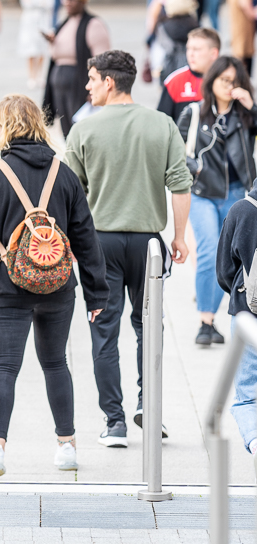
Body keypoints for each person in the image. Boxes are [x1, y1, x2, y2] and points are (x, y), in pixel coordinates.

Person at [0, 94, 108, 479]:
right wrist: (97, 292)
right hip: (57, 287)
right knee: (55, 363)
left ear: (6, 128)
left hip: (6, 289)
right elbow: (85, 236)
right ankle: (66, 446)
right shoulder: (62, 173)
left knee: (4, 367)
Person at [65, 50, 192, 448]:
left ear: (108, 82)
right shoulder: (162, 124)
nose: (87, 86)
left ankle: (114, 421)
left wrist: (71, 243)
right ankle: (149, 410)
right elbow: (180, 184)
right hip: (148, 244)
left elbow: (69, 194)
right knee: (148, 327)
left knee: (104, 330)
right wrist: (179, 237)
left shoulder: (84, 130)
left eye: (91, 79)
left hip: (99, 244)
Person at [177, 57, 257, 346]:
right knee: (211, 249)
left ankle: (237, 314)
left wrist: (251, 105)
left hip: (239, 195)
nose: (229, 86)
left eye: (235, 81)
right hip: (203, 194)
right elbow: (176, 148)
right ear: (211, 81)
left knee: (240, 259)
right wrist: (194, 166)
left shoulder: (245, 115)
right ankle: (206, 321)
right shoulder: (195, 113)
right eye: (224, 80)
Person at [218, 174, 257, 462]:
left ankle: (255, 441)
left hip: (247, 314)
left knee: (248, 395)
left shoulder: (241, 210)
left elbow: (223, 271)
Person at [42, 0, 111, 138]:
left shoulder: (93, 24)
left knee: (80, 127)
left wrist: (96, 86)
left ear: (82, 1)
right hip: (59, 80)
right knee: (66, 128)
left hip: (79, 81)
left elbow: (102, 60)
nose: (67, 3)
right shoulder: (64, 23)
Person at [158, 28, 220, 122]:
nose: (190, 54)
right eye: (188, 49)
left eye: (196, 49)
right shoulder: (174, 81)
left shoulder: (227, 81)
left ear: (213, 54)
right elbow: (161, 123)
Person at [17, 0, 54, 88]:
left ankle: (39, 75)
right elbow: (26, 3)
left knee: (42, 49)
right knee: (30, 50)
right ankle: (31, 76)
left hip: (43, 21)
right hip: (29, 22)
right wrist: (39, 3)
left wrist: (37, 3)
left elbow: (49, 3)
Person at [150, 0, 200, 83]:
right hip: (191, 63)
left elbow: (163, 46)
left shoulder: (163, 25)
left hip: (170, 65)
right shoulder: (195, 24)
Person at [225, 0, 257, 75]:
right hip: (244, 28)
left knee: (238, 51)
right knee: (244, 53)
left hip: (236, 25)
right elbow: (251, 13)